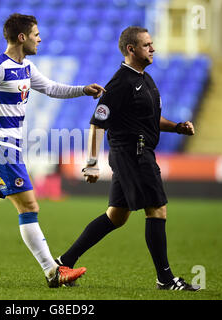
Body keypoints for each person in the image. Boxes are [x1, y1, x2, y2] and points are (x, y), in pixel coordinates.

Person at [0, 13, 105, 288]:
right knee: (29, 207)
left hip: (6, 149)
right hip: (1, 148)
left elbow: (52, 88)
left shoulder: (27, 67)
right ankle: (53, 271)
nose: (39, 39)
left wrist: (83, 89)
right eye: (36, 34)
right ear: (22, 37)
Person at [55, 26, 201, 291]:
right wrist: (90, 163)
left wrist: (178, 126)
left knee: (116, 216)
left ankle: (64, 261)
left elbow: (150, 119)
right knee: (157, 209)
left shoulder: (145, 79)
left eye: (152, 43)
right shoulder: (120, 83)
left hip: (135, 153)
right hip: (134, 153)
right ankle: (166, 279)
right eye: (147, 45)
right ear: (131, 49)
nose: (153, 48)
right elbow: (98, 123)